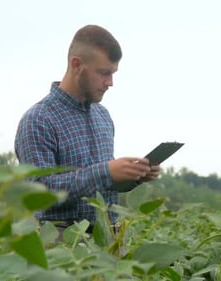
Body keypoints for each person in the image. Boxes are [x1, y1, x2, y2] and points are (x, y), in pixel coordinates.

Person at [14, 24, 161, 233]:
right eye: (104, 73)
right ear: (77, 65)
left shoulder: (103, 116)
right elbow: (38, 195)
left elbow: (102, 185)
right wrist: (107, 172)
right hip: (62, 245)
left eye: (113, 73)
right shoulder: (38, 119)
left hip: (109, 238)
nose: (110, 82)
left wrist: (133, 175)